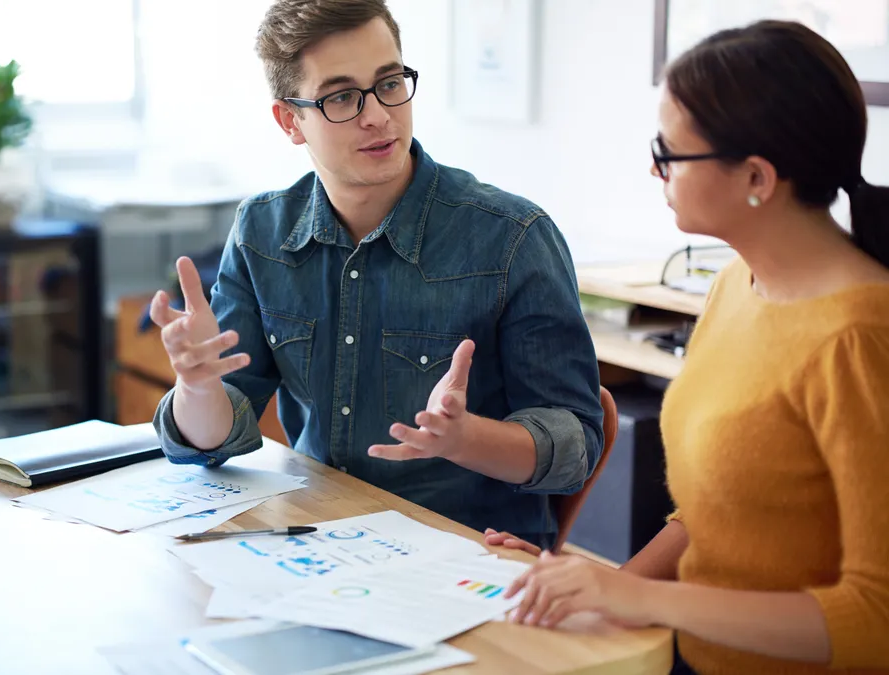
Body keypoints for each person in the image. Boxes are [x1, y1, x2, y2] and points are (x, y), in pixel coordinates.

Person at [486, 20, 889, 675]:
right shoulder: (737, 285)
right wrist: (588, 588)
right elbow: (712, 511)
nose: (654, 167)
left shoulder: (860, 338)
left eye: (668, 151)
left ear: (757, 175)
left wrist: (643, 595)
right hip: (689, 656)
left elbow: (876, 620)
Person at [148, 0, 603, 547]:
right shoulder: (261, 232)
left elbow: (574, 447)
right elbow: (213, 443)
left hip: (467, 556)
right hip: (317, 542)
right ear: (291, 120)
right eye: (342, 96)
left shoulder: (512, 237)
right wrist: (197, 387)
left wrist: (465, 439)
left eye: (390, 83)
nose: (379, 115)